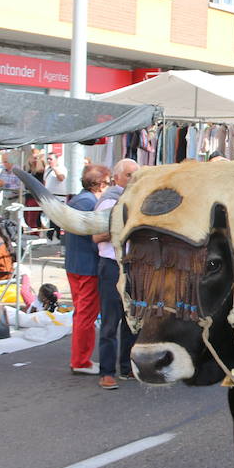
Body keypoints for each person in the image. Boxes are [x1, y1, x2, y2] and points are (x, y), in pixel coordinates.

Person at [94, 159, 141, 390]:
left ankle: (127, 366)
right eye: (130, 175)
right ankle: (106, 372)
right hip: (112, 265)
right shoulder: (109, 202)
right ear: (117, 178)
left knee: (131, 319)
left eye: (137, 174)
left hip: (133, 265)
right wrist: (124, 230)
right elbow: (97, 236)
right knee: (111, 321)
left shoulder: (137, 199)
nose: (134, 179)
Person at [63, 165, 107, 375]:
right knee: (85, 316)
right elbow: (94, 238)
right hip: (87, 266)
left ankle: (80, 359)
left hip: (75, 264)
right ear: (101, 184)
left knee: (81, 314)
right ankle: (80, 361)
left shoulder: (77, 200)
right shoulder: (90, 203)